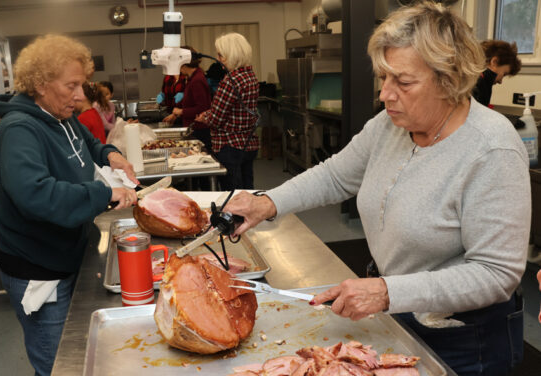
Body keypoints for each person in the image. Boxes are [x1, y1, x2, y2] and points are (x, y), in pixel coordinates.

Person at [224, 3, 530, 375]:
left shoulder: (491, 148)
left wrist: (387, 291)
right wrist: (267, 203)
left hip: (464, 339)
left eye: (403, 82)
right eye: (383, 77)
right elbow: (336, 175)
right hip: (399, 313)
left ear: (448, 79)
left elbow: (496, 274)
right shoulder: (389, 126)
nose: (385, 94)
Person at [0, 34, 138, 376]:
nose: (80, 95)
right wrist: (104, 195)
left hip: (69, 252)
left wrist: (111, 154)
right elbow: (36, 195)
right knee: (58, 364)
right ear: (41, 85)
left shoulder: (62, 116)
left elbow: (88, 144)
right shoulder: (19, 129)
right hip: (38, 267)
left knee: (79, 353)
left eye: (82, 84)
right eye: (71, 85)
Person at [195, 33, 260, 190]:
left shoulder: (230, 81)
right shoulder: (250, 76)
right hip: (248, 144)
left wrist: (205, 118)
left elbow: (217, 119)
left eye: (221, 55)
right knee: (247, 189)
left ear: (231, 55)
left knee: (232, 194)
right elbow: (235, 110)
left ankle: (235, 216)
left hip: (230, 146)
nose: (219, 59)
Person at [171, 46, 212, 152]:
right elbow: (190, 100)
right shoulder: (191, 78)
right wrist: (175, 113)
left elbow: (202, 108)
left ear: (183, 64)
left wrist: (182, 111)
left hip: (199, 130)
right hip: (194, 128)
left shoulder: (197, 80)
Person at [472, 40, 522, 106]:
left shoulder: (474, 79)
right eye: (504, 74)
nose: (500, 82)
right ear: (494, 62)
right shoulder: (480, 83)